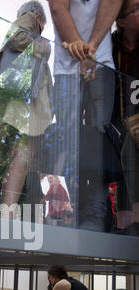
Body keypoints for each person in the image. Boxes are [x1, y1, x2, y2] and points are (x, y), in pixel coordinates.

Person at [48, 0, 124, 230]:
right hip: (67, 68)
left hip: (101, 65)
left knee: (98, 142)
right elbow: (57, 7)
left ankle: (96, 213)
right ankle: (64, 213)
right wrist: (84, 50)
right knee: (66, 142)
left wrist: (90, 47)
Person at [0, 1, 53, 212]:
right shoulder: (30, 18)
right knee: (20, 158)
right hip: (22, 106)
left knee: (16, 159)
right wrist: (42, 47)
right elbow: (17, 37)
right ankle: (6, 214)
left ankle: (3, 212)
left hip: (20, 105)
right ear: (39, 18)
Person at [111, 0, 139, 236]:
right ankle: (124, 224)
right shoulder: (111, 46)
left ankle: (136, 221)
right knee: (120, 166)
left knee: (131, 152)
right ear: (120, 21)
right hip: (119, 118)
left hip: (137, 118)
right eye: (136, 9)